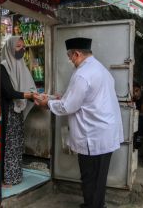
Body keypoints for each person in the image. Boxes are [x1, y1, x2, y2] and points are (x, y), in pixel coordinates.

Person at [34, 37, 124, 208]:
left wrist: (47, 103)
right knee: (97, 177)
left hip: (94, 134)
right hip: (103, 131)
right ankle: (93, 203)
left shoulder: (83, 74)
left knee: (91, 177)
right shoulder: (99, 68)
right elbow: (82, 98)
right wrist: (58, 98)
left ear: (76, 54)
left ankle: (94, 205)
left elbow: (69, 106)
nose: (70, 61)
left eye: (70, 57)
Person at [0, 36, 37, 186]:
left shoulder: (21, 65)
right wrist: (27, 95)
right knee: (8, 145)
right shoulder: (3, 66)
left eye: (23, 47)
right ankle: (6, 178)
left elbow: (29, 88)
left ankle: (15, 176)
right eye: (18, 47)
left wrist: (41, 97)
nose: (22, 50)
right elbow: (8, 92)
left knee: (16, 145)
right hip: (8, 111)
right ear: (9, 48)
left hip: (18, 111)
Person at [132, 81, 143, 162]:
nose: (135, 93)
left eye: (136, 91)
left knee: (139, 120)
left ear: (140, 90)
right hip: (135, 121)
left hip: (141, 122)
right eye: (133, 91)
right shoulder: (132, 98)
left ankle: (137, 143)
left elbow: (142, 113)